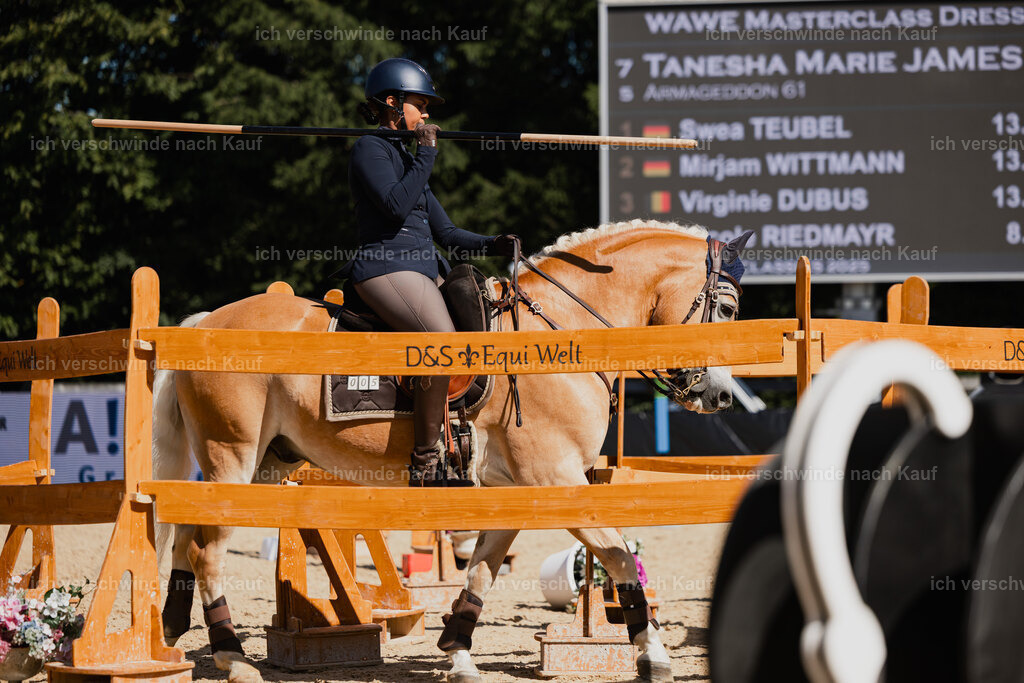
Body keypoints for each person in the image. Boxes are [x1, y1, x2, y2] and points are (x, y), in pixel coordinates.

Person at [340, 57, 517, 486]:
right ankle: (425, 463)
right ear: (391, 102)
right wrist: (427, 154)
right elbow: (394, 206)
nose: (425, 115)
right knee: (441, 344)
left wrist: (493, 243)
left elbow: (447, 233)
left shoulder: (408, 157)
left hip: (424, 269)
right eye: (419, 105)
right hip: (386, 266)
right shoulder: (370, 149)